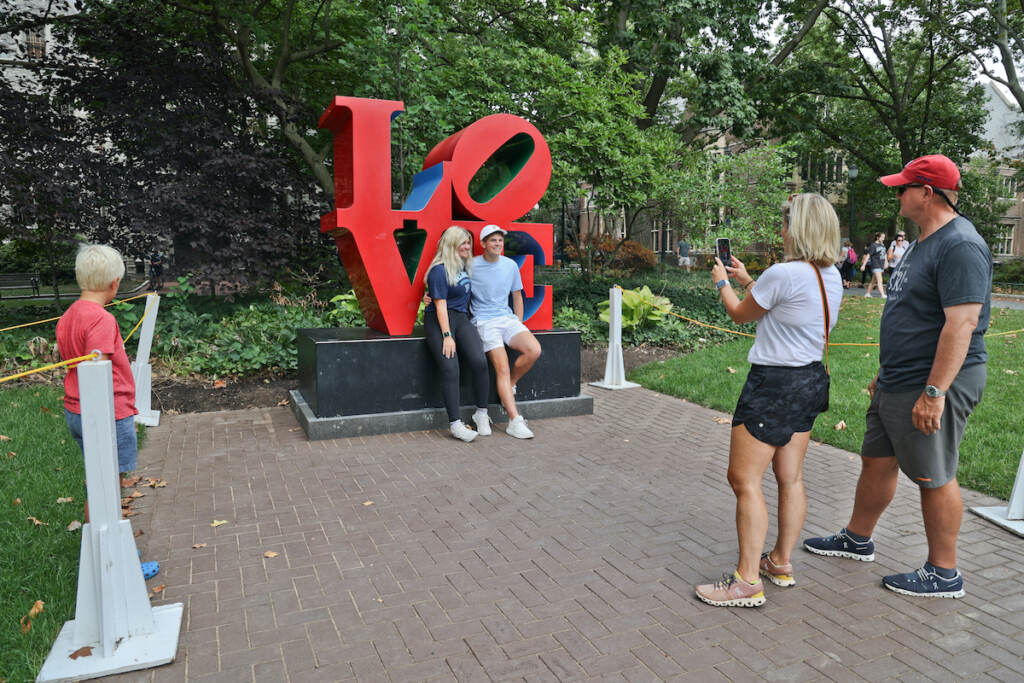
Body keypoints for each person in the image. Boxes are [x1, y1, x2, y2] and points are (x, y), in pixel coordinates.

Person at [804, 154, 990, 599]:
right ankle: (857, 538)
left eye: (904, 188)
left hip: (934, 382)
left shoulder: (960, 244)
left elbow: (961, 324)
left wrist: (934, 391)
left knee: (933, 474)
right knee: (878, 460)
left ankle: (944, 573)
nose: (897, 194)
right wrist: (886, 373)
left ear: (928, 193)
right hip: (899, 378)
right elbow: (914, 314)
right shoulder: (925, 242)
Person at [695, 193, 841, 607]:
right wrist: (746, 279)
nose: (781, 230)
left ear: (798, 230)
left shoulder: (783, 273)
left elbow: (741, 315)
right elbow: (783, 308)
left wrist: (723, 283)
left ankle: (745, 582)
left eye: (786, 223)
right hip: (811, 380)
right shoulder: (828, 275)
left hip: (774, 385)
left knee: (744, 480)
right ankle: (779, 561)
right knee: (790, 477)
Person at [56, 244, 159, 580]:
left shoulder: (70, 315)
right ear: (115, 283)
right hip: (105, 414)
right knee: (107, 490)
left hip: (79, 410)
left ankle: (104, 553)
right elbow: (97, 369)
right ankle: (111, 561)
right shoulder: (101, 318)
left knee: (100, 483)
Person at [472, 225, 542, 439]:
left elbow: (517, 295)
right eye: (493, 240)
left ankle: (511, 384)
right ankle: (514, 420)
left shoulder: (510, 265)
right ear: (483, 244)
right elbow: (451, 285)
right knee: (501, 368)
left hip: (507, 318)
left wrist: (519, 323)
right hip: (484, 322)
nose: (498, 244)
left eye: (500, 241)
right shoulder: (471, 265)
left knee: (534, 350)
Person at [423, 226, 490, 443]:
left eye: (469, 243)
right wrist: (447, 335)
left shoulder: (463, 267)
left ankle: (481, 413)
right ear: (452, 244)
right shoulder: (438, 271)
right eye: (464, 243)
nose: (468, 247)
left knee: (480, 361)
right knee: (451, 367)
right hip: (439, 321)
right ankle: (455, 425)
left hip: (461, 318)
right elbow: (440, 305)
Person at [860, 232, 887, 298]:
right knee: (880, 280)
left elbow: (885, 255)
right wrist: (863, 265)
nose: (883, 239)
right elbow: (868, 256)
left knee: (873, 281)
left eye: (884, 237)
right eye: (882, 237)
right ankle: (882, 294)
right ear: (878, 237)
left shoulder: (882, 245)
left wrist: (886, 262)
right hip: (876, 265)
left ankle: (867, 293)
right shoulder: (873, 245)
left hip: (881, 265)